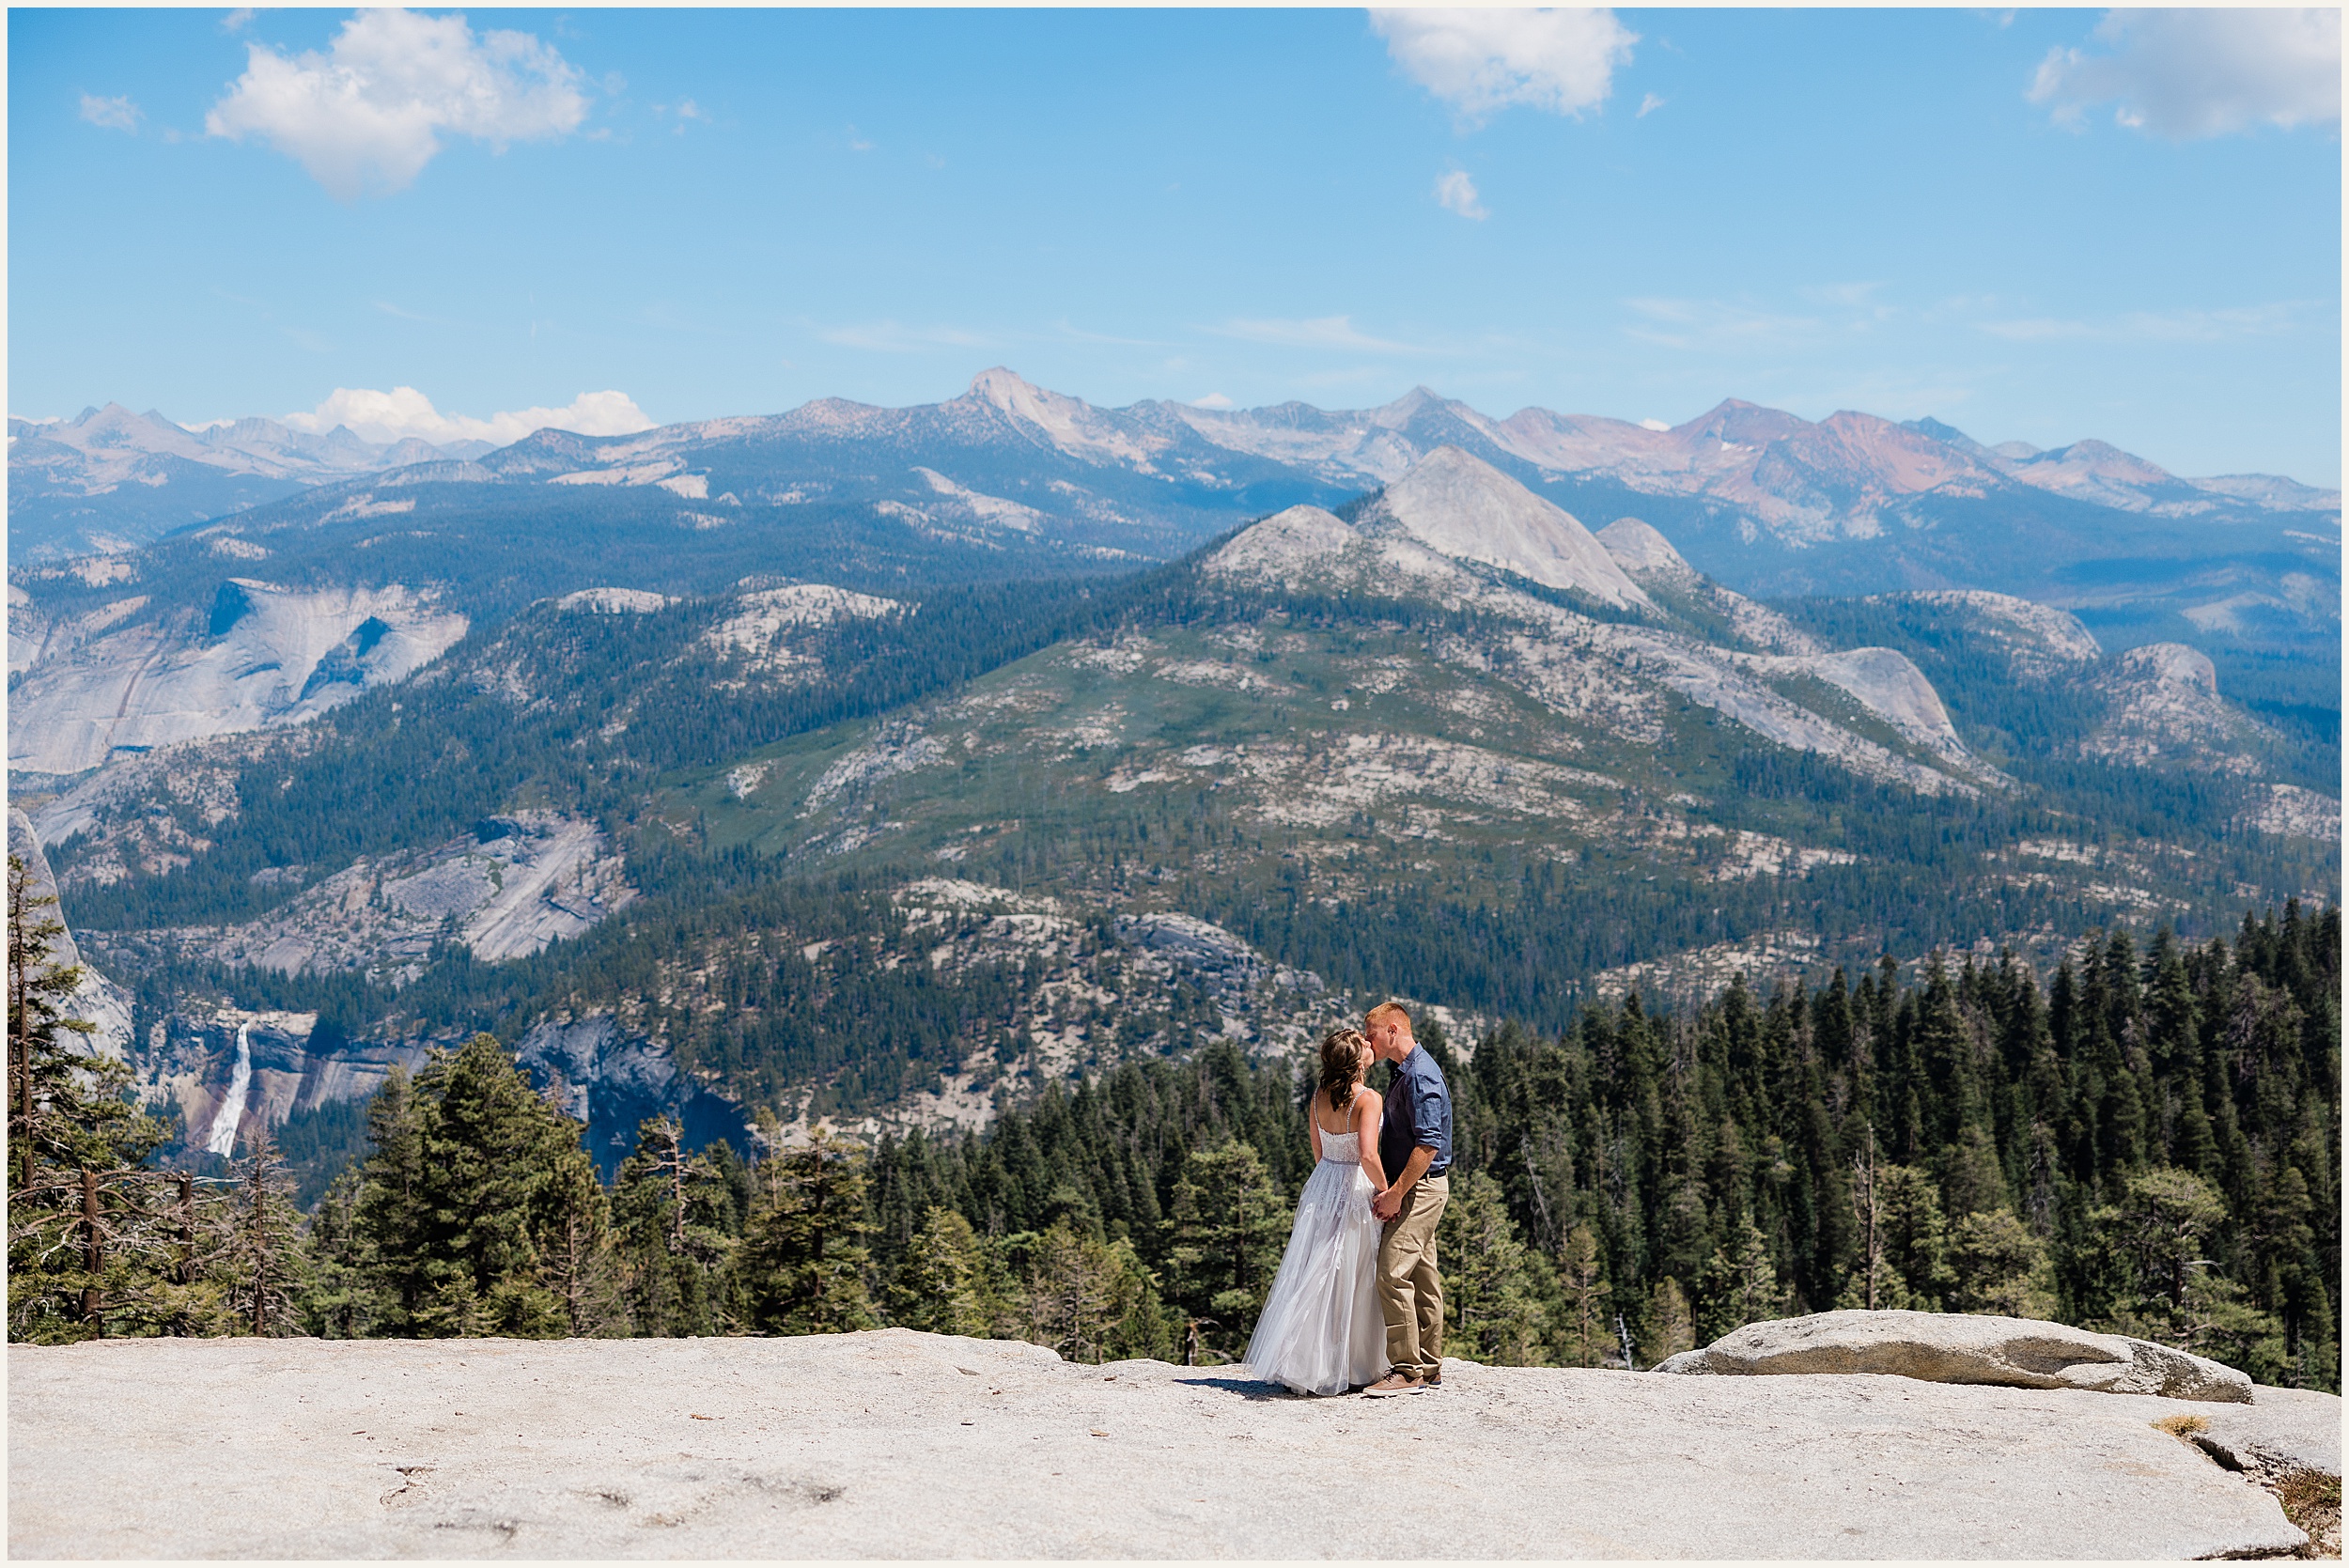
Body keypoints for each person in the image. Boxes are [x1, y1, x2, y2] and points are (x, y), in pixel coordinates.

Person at [1242, 1027, 1391, 1396]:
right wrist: (1387, 1191)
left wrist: (1328, 1182)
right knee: (1353, 1271)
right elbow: (1368, 1154)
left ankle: (1310, 1360)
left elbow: (1320, 1153)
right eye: (1364, 1045)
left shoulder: (1317, 1097)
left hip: (1324, 1182)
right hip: (1354, 1184)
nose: (1371, 1046)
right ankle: (1354, 1364)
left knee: (1318, 1267)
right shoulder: (1369, 1099)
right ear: (1358, 1062)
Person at [1361, 1001, 1452, 1397]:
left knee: (1391, 1273)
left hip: (1420, 1187)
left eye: (1372, 1035)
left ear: (1393, 1031)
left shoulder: (1420, 1077)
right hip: (1419, 1186)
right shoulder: (1406, 1071)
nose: (1368, 1042)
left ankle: (1406, 1370)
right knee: (1423, 1275)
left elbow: (1429, 1144)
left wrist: (1396, 1193)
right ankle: (1429, 1366)